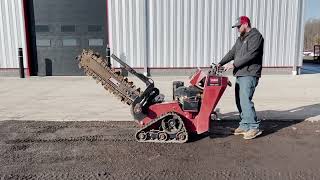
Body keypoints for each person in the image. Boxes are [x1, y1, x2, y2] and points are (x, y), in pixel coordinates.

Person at [218, 16, 264, 140]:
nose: (237, 29)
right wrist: (220, 63)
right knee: (239, 101)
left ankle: (254, 127)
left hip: (250, 73)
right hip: (240, 73)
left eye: (239, 26)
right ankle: (244, 125)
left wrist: (233, 64)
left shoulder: (256, 36)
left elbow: (251, 54)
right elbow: (232, 52)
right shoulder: (240, 39)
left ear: (245, 24)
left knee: (245, 101)